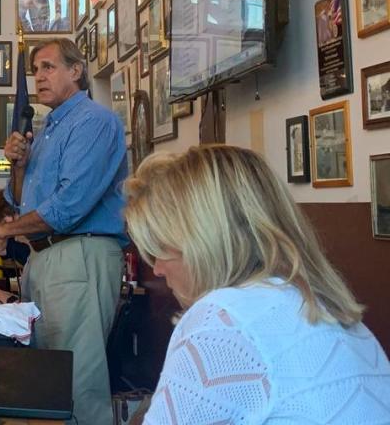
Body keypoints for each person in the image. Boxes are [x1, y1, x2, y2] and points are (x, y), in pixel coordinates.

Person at [125, 146, 390, 423]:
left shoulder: (222, 320)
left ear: (202, 242)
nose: (156, 268)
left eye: (159, 248)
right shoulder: (332, 309)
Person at [0, 38, 127, 425]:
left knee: (77, 380)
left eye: (49, 67)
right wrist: (17, 165)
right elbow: (23, 204)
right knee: (44, 379)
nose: (39, 76)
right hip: (43, 258)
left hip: (79, 253)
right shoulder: (47, 129)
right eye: (36, 69)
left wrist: (0, 226)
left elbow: (69, 207)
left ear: (76, 71)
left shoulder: (94, 122)